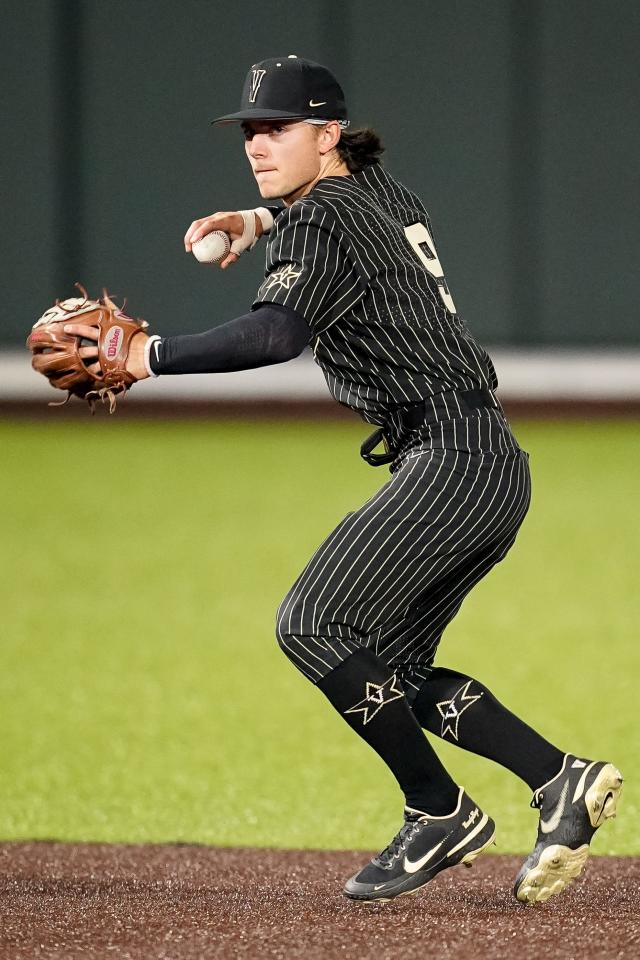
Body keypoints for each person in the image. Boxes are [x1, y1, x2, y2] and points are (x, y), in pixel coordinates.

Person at [67, 55, 622, 905]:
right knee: (388, 671)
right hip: (485, 462)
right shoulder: (380, 195)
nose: (258, 142)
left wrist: (143, 356)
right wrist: (259, 222)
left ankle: (438, 809)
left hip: (451, 459)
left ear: (327, 136)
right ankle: (560, 780)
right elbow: (346, 214)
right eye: (251, 129)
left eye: (278, 128)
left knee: (311, 623)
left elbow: (272, 336)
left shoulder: (321, 220)